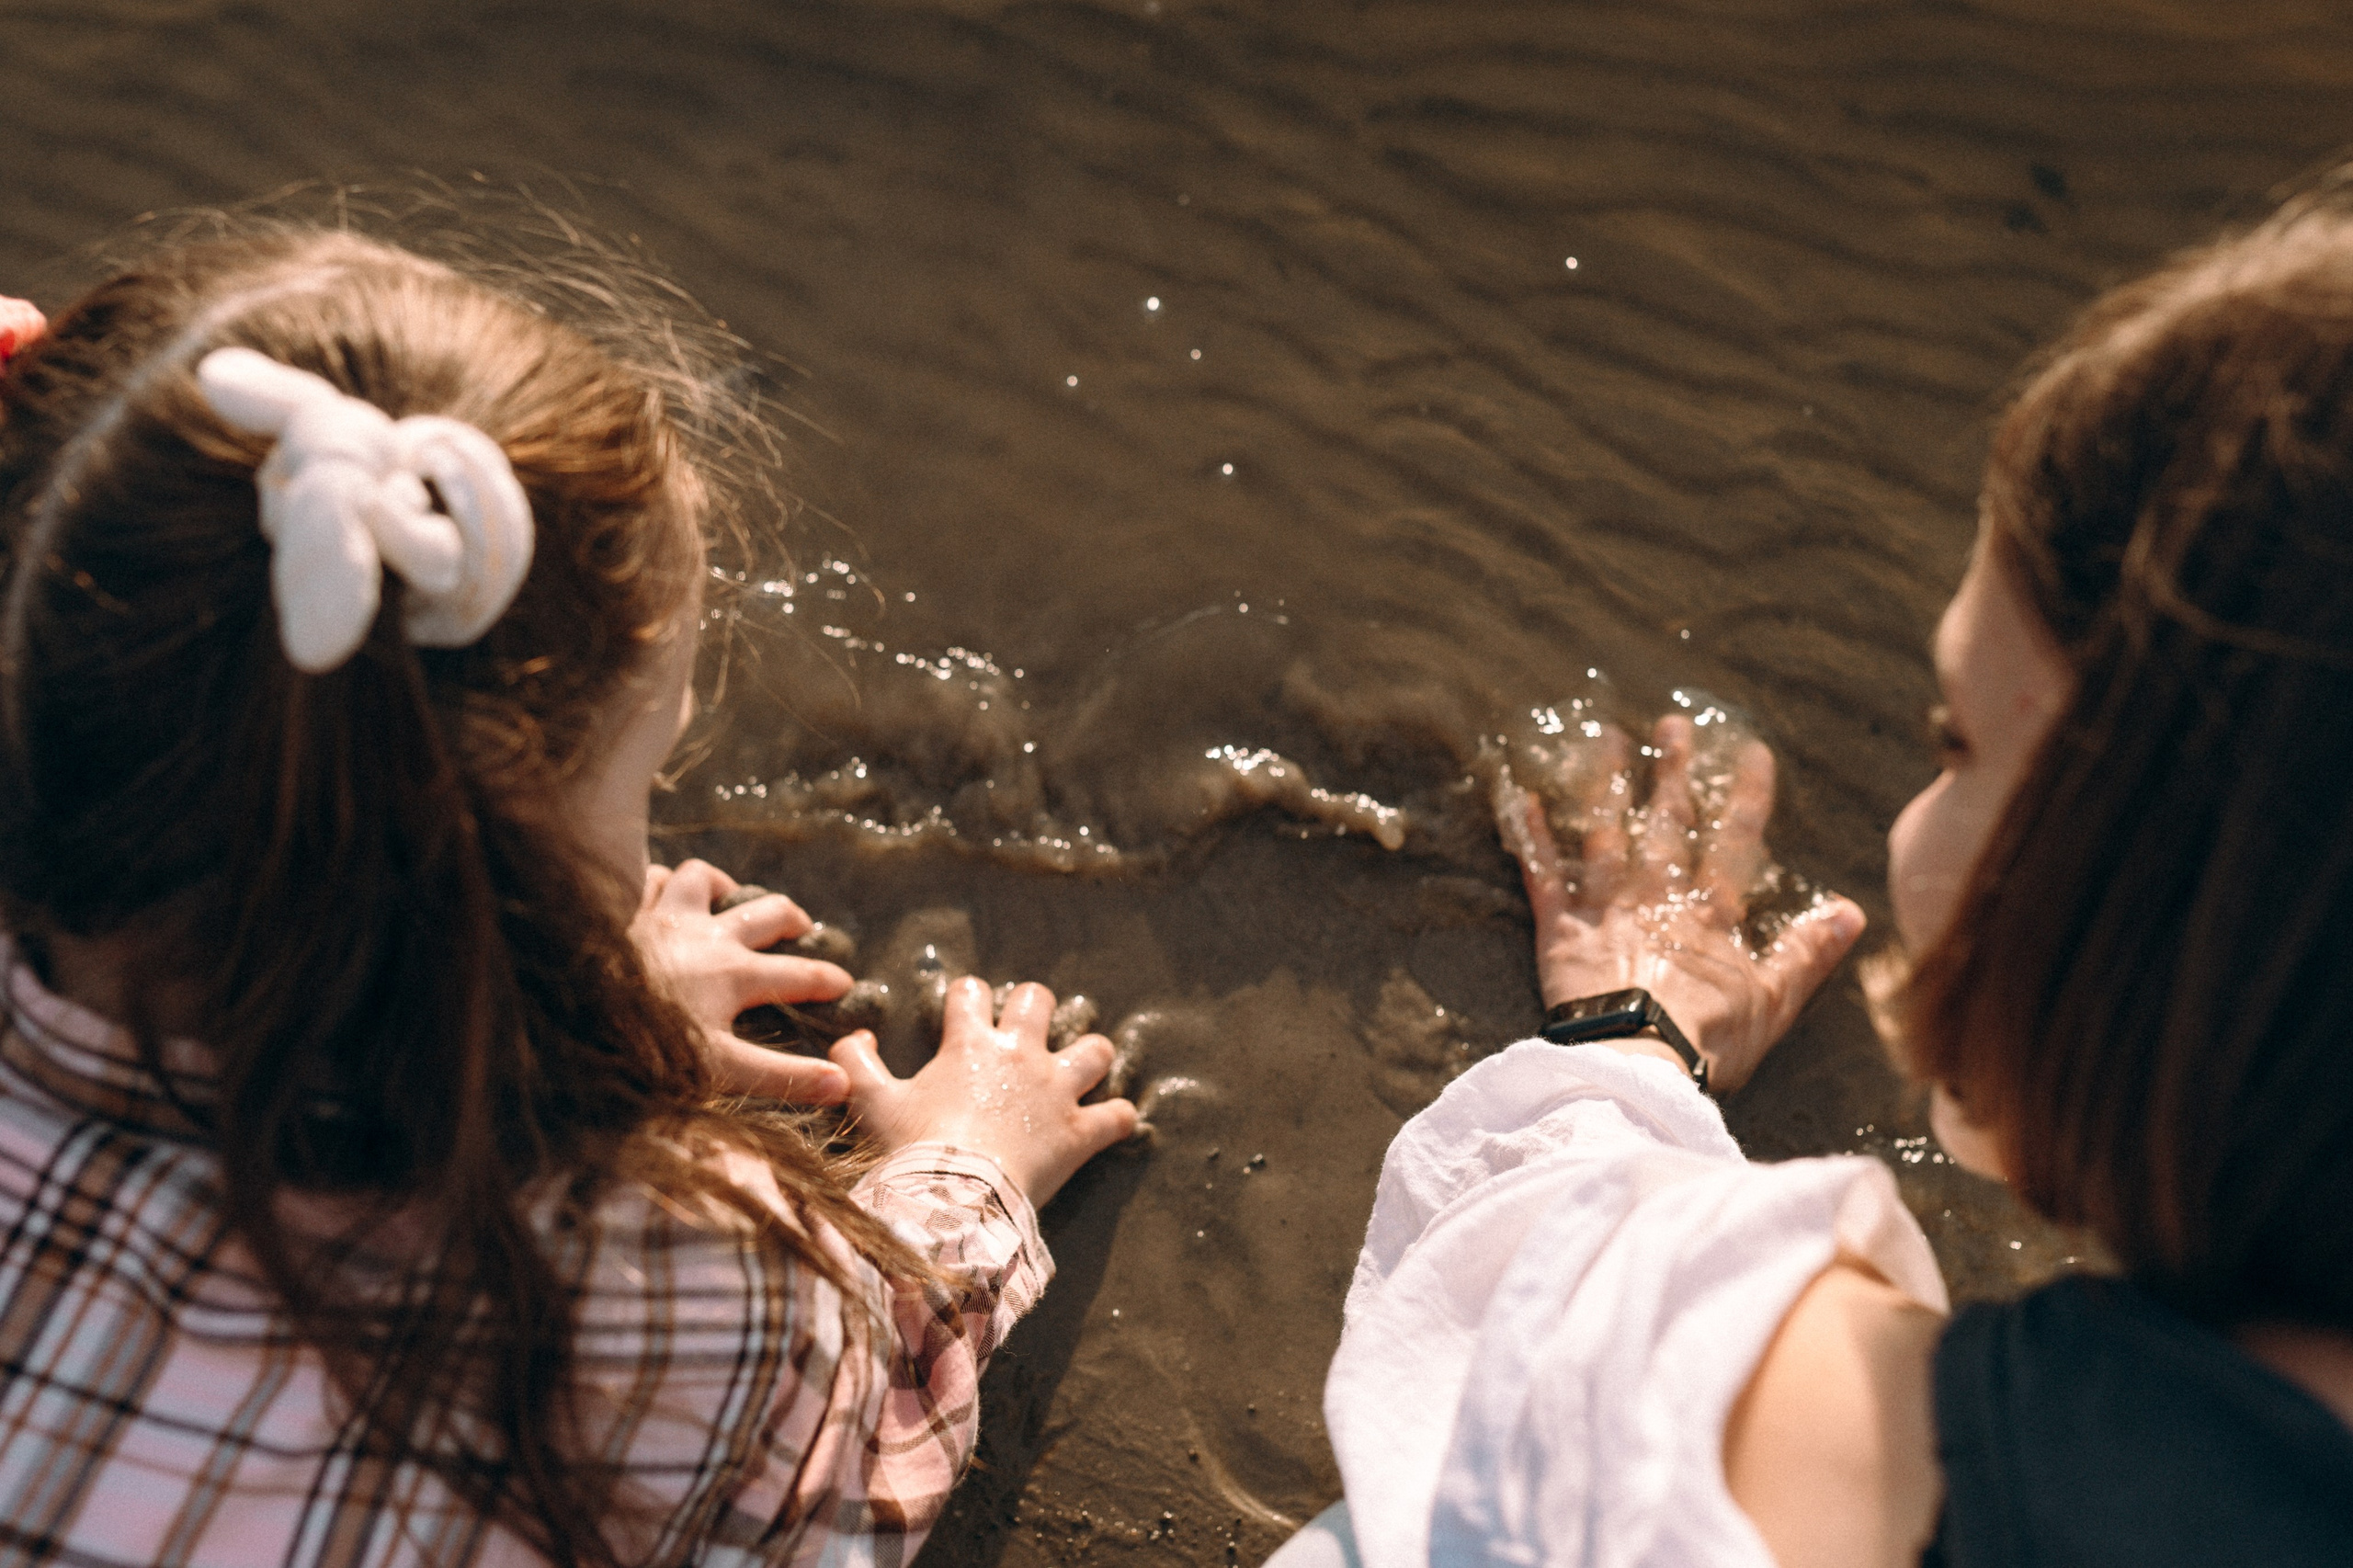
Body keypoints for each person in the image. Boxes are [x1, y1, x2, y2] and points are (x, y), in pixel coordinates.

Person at [0, 227, 1135, 1568]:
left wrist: (574, 996)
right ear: (496, 875)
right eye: (642, 772)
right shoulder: (680, 1281)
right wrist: (969, 1171)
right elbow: (837, 1507)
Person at [1281, 181, 2353, 1567]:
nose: (1911, 820)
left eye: (1956, 742)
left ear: (2165, 883)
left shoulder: (1856, 1450)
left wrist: (1629, 1036)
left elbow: (1513, 1305)